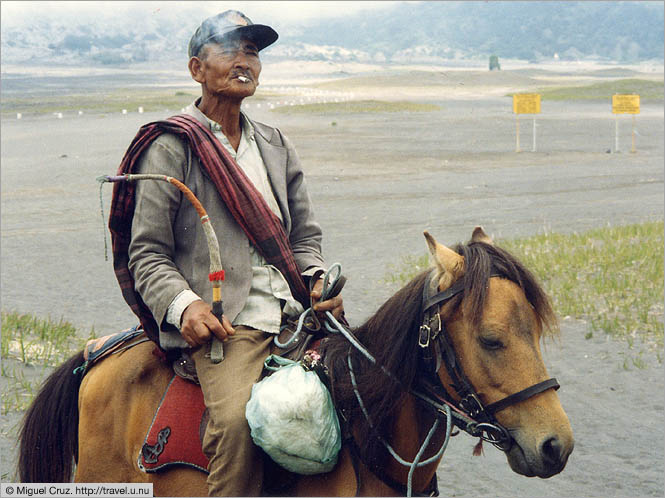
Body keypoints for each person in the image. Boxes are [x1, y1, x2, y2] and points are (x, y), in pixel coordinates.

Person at [109, 10, 344, 496]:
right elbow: (147, 253)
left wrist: (316, 278)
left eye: (253, 51)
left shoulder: (276, 145)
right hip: (230, 326)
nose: (245, 60)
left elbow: (304, 237)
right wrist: (185, 305)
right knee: (237, 427)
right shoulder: (172, 147)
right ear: (197, 69)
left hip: (297, 315)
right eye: (230, 48)